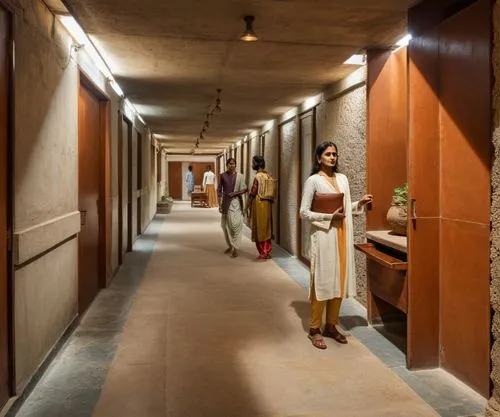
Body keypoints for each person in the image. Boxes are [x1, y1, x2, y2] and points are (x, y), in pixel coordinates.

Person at [299, 141, 373, 349]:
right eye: (328, 154)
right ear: (318, 158)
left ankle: (330, 325)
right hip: (324, 237)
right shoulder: (313, 181)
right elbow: (303, 212)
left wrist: (358, 203)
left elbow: (344, 208)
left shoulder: (343, 179)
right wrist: (328, 217)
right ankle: (314, 328)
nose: (332, 157)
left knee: (338, 283)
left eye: (335, 154)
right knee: (322, 283)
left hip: (342, 235)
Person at [217, 158, 247, 258]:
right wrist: (219, 204)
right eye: (230, 164)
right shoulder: (223, 175)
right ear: (227, 165)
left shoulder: (240, 176)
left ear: (236, 165)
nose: (231, 165)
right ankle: (231, 245)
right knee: (225, 226)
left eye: (233, 164)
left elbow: (245, 189)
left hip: (236, 202)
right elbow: (219, 190)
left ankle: (235, 247)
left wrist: (235, 193)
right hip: (226, 203)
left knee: (235, 225)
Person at [245, 156, 273, 260]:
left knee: (259, 227)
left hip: (259, 204)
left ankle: (263, 251)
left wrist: (246, 207)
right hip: (267, 204)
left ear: (257, 163)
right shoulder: (268, 176)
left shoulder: (258, 177)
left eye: (253, 162)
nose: (252, 165)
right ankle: (267, 250)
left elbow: (253, 193)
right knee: (267, 227)